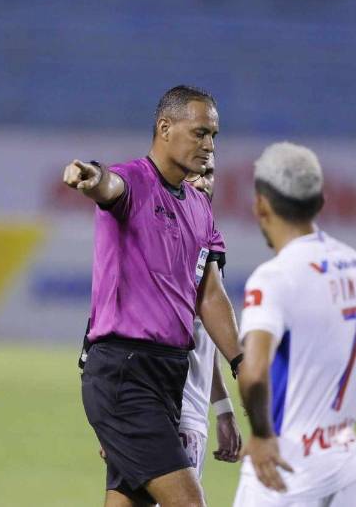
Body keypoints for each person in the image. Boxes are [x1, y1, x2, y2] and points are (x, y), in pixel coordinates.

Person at [63, 85, 243, 507]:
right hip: (125, 371)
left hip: (168, 376)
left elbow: (210, 297)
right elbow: (109, 186)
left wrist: (241, 361)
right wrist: (92, 178)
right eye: (200, 133)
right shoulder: (135, 180)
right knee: (188, 503)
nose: (209, 145)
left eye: (214, 136)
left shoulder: (199, 209)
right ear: (165, 127)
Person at [233, 142, 356, 507]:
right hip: (345, 467)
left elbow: (253, 373)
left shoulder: (274, 279)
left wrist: (260, 435)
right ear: (320, 203)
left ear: (260, 204)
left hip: (284, 469)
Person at [180, 159, 242, 478]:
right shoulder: (164, 239)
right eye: (194, 174)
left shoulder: (206, 237)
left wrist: (222, 407)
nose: (204, 183)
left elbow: (204, 334)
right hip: (169, 415)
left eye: (210, 174)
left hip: (191, 414)